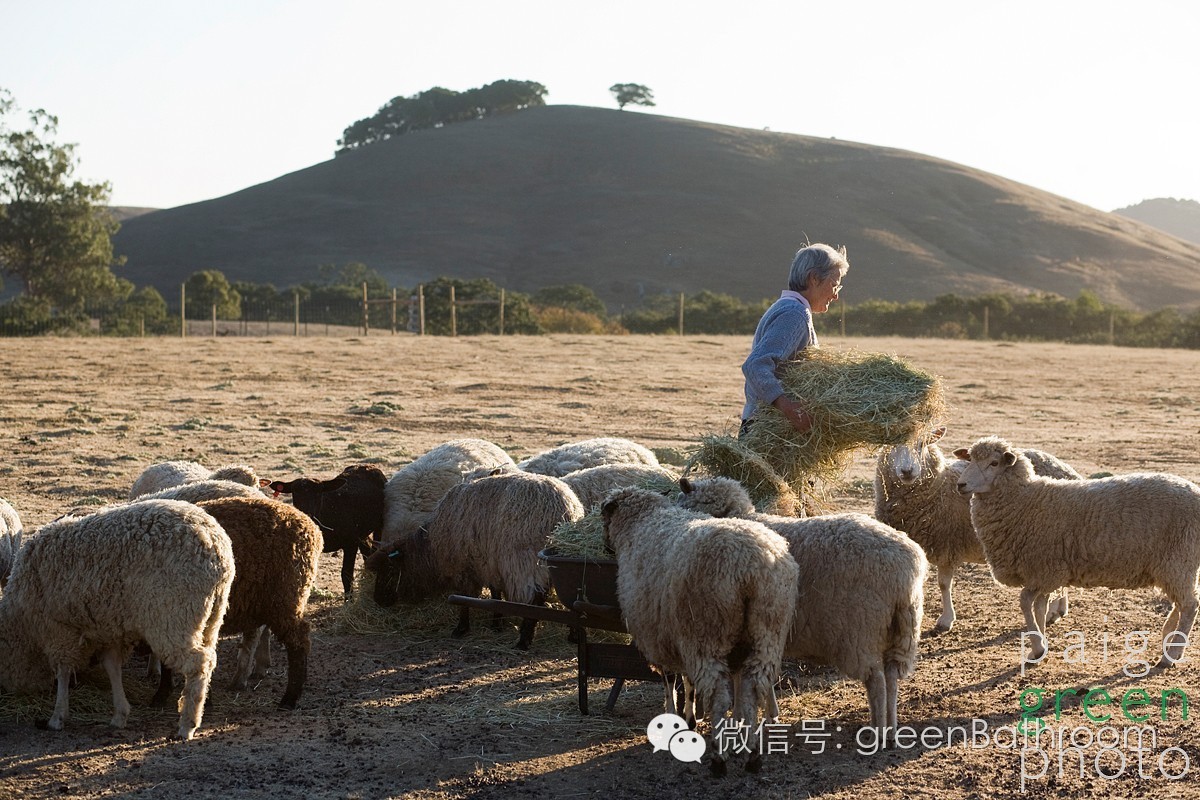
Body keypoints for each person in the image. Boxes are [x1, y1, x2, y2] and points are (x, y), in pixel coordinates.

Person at [740, 243, 849, 437]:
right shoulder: (794, 313)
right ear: (814, 278)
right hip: (765, 431)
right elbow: (755, 365)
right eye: (834, 285)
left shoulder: (789, 307)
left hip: (770, 428)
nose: (836, 295)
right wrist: (789, 408)